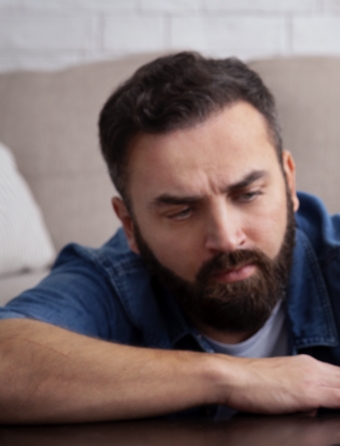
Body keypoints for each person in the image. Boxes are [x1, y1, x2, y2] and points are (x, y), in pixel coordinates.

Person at [1, 51, 340, 424]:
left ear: (289, 182)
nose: (226, 239)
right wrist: (226, 377)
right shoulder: (112, 279)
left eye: (248, 194)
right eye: (181, 212)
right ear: (130, 226)